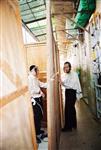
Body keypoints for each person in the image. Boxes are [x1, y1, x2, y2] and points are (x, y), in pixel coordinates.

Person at [60, 62, 82, 132]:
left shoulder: (74, 74)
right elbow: (65, 82)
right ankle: (73, 124)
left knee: (68, 109)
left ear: (70, 67)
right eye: (65, 67)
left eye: (67, 67)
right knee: (71, 109)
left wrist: (62, 83)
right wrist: (62, 82)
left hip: (72, 93)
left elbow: (71, 85)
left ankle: (68, 127)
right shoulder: (66, 74)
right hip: (68, 92)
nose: (66, 68)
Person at [28, 65, 47, 143]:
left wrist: (51, 82)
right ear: (32, 71)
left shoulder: (35, 78)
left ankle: (38, 131)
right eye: (36, 70)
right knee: (36, 117)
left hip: (38, 98)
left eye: (38, 70)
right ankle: (35, 135)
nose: (38, 71)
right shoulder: (29, 78)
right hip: (34, 100)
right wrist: (40, 92)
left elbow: (41, 84)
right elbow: (32, 90)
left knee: (39, 116)